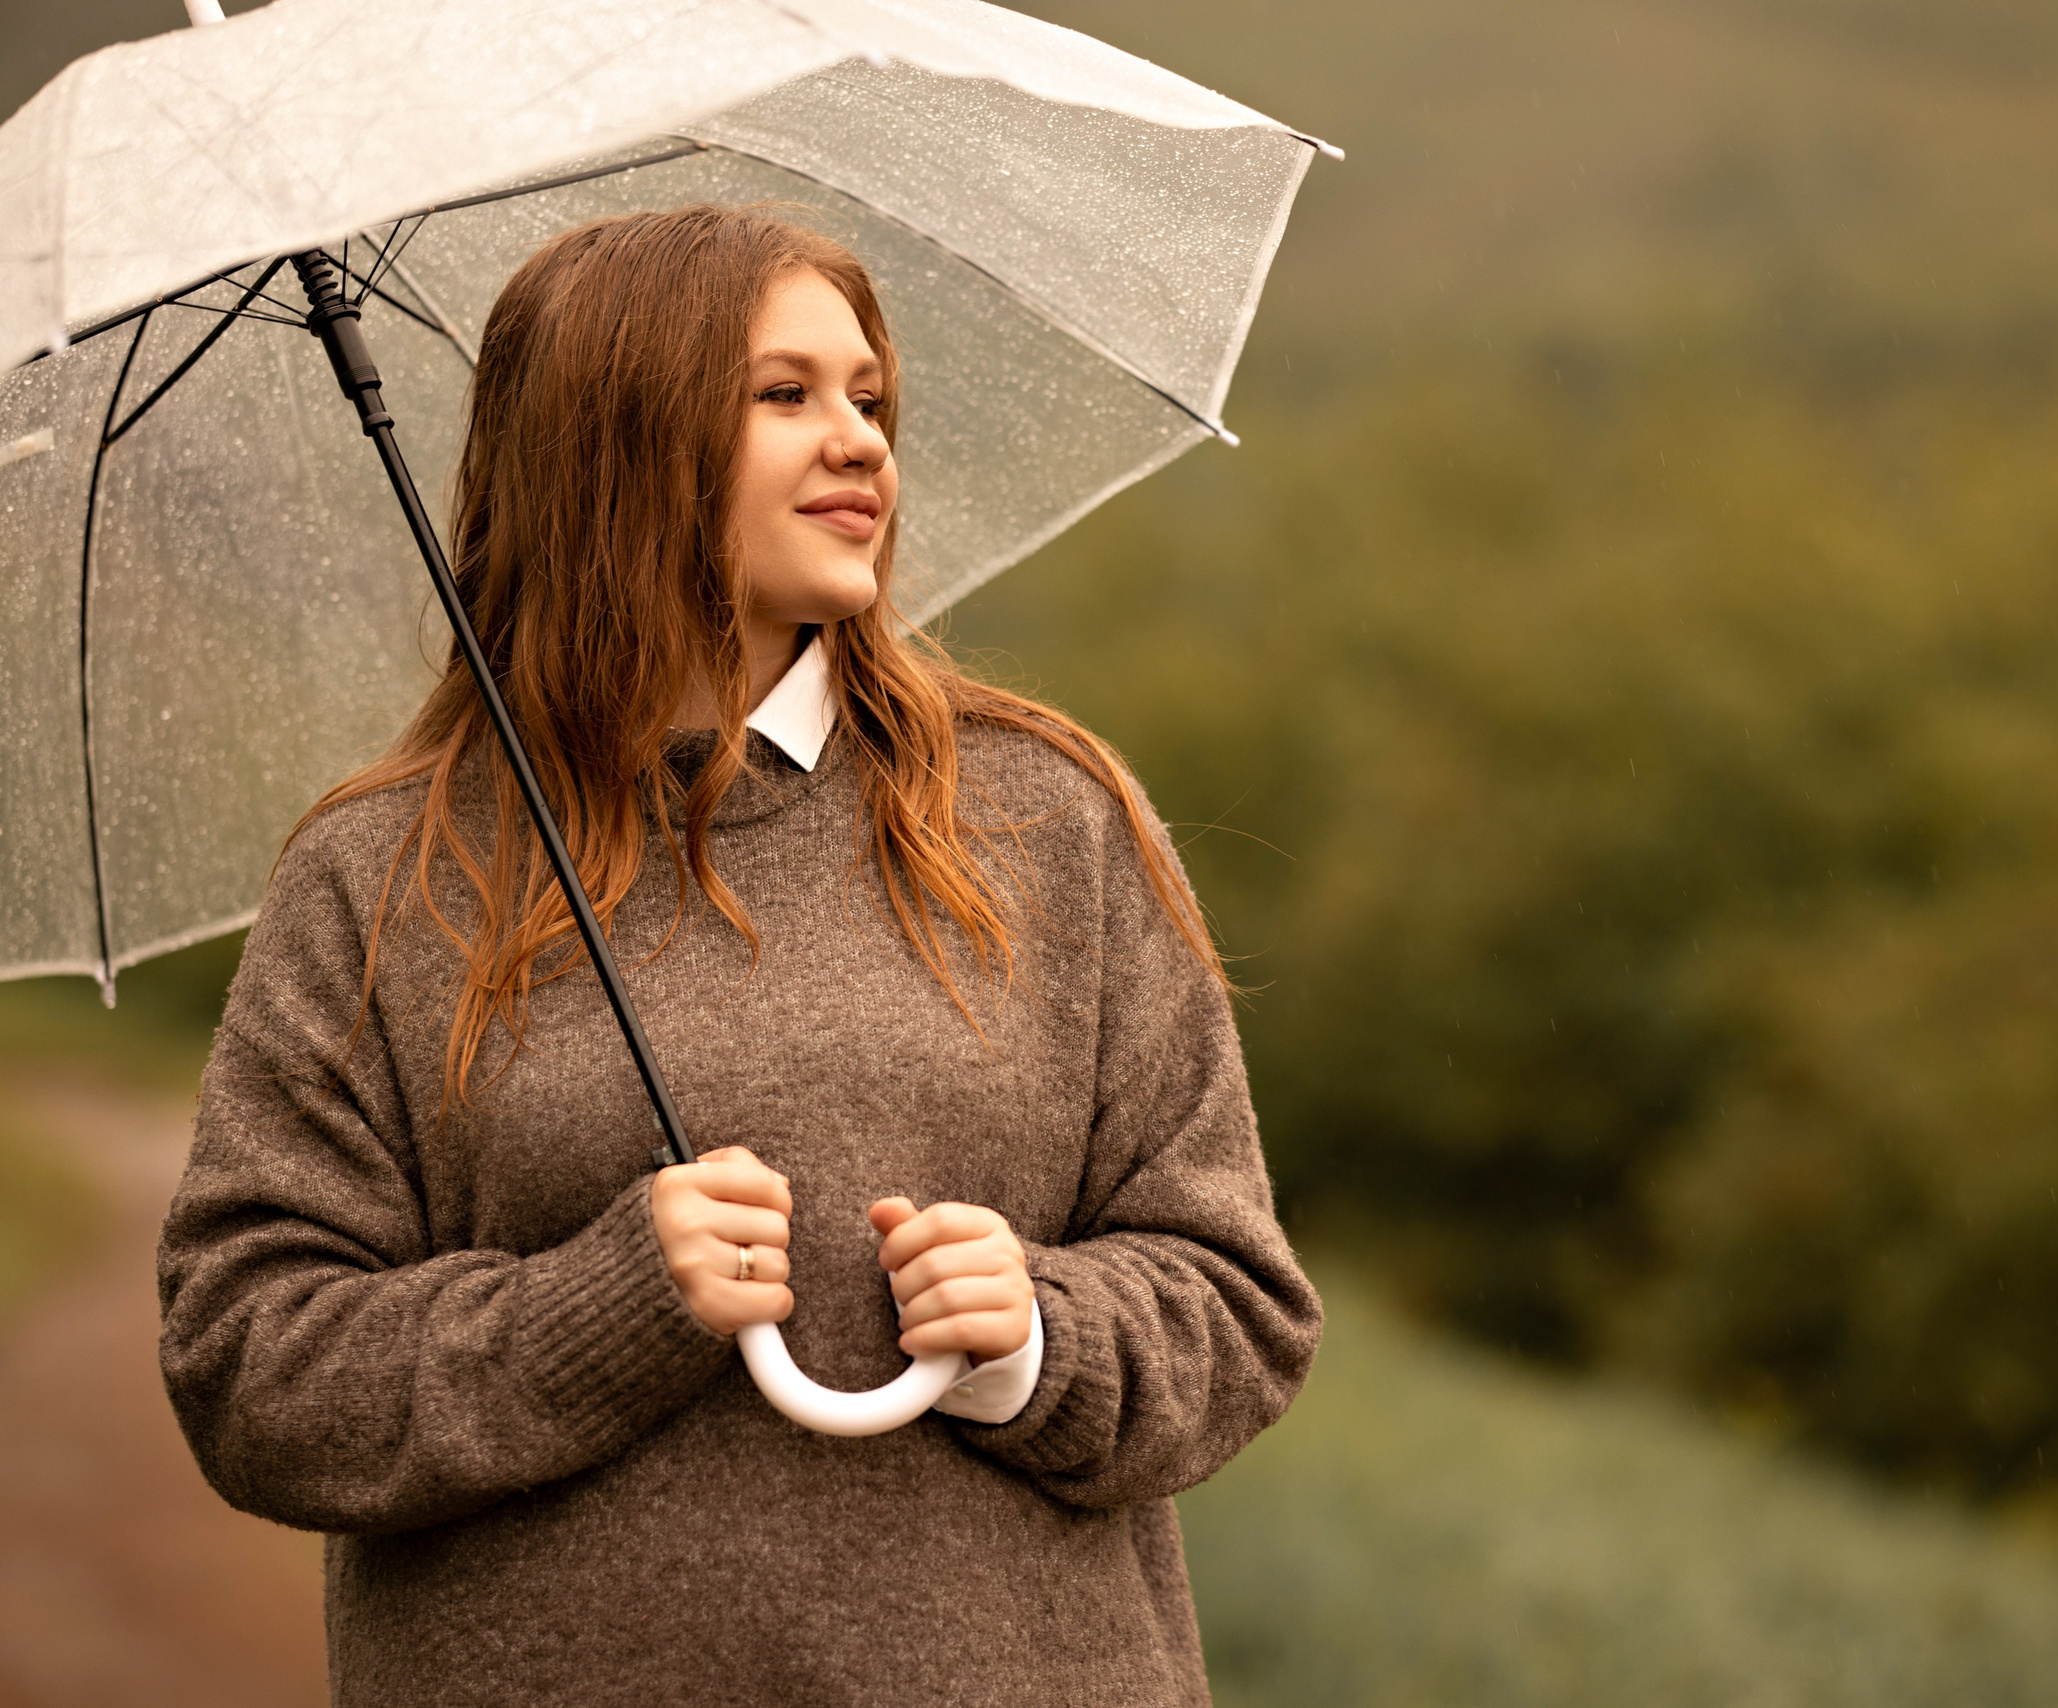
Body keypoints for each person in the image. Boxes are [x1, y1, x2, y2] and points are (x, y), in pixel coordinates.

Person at [156, 204, 1321, 1707]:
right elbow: (253, 1368)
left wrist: (1039, 1333)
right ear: (613, 443)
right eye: (787, 396)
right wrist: (601, 1309)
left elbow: (1237, 1300)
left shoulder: (1046, 820)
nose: (861, 445)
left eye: (870, 398)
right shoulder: (381, 878)